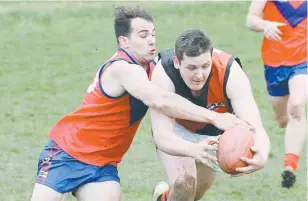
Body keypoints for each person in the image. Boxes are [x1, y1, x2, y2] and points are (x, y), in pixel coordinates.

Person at [30, 6, 249, 201]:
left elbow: (190, 67)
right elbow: (159, 99)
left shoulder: (154, 67)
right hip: (66, 153)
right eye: (143, 35)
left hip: (102, 165)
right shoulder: (122, 69)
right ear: (124, 41)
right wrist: (215, 117)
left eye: (153, 34)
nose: (152, 40)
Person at [151, 29, 270, 201]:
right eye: (192, 67)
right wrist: (193, 149)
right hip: (177, 131)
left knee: (192, 196)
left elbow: (255, 127)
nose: (199, 75)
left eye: (205, 66)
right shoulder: (164, 72)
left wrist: (263, 155)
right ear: (177, 62)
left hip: (213, 137)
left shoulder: (230, 72)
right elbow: (162, 136)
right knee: (185, 182)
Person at [246, 0, 307, 188]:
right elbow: (251, 19)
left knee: (296, 106)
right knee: (282, 120)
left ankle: (289, 167)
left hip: (303, 62)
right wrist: (265, 25)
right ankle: (293, 129)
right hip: (275, 65)